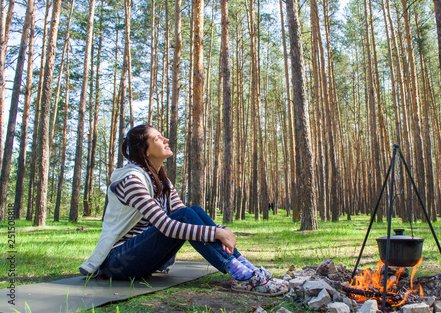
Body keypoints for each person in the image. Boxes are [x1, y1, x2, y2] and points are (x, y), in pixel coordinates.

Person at [79, 124, 287, 296]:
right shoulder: (132, 180)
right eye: (159, 138)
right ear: (145, 150)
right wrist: (216, 232)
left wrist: (220, 228)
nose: (166, 139)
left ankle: (243, 267)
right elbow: (166, 226)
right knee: (186, 215)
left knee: (192, 210)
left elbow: (184, 212)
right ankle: (241, 275)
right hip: (117, 263)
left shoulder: (161, 179)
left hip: (138, 260)